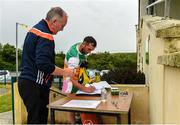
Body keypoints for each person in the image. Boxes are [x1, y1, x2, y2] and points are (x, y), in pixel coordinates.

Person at [18, 7, 74, 124]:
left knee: (35, 119)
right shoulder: (45, 35)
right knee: (38, 120)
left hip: (27, 82)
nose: (62, 29)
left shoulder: (34, 30)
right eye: (62, 26)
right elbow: (44, 65)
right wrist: (66, 72)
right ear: (54, 21)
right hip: (35, 84)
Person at [62, 36, 100, 124]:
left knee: (79, 104)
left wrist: (89, 79)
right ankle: (73, 123)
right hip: (68, 82)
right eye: (89, 49)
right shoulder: (74, 57)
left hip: (77, 78)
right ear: (84, 45)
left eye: (91, 50)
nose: (89, 52)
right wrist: (86, 89)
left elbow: (81, 69)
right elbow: (71, 79)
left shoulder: (81, 46)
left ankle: (80, 120)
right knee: (70, 107)